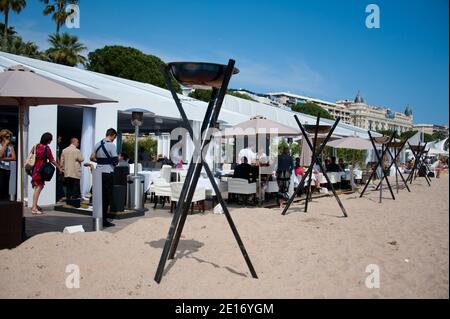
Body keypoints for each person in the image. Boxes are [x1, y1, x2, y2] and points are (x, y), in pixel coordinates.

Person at [91, 128, 119, 228]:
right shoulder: (111, 145)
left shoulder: (97, 144)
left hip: (98, 173)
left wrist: (101, 161)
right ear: (112, 135)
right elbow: (115, 161)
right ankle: (104, 220)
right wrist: (110, 161)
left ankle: (98, 217)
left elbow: (92, 157)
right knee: (107, 197)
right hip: (108, 172)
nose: (114, 139)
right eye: (114, 137)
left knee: (99, 196)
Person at [31, 133, 61, 215]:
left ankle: (35, 205)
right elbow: (51, 160)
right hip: (41, 170)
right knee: (38, 188)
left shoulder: (36, 146)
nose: (51, 141)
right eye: (51, 139)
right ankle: (34, 207)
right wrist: (58, 167)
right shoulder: (46, 148)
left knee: (37, 187)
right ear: (48, 140)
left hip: (35, 169)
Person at [0, 129, 16, 201]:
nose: (8, 138)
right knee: (1, 185)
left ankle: (5, 201)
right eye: (7, 137)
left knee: (6, 185)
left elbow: (13, 157)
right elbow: (0, 155)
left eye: (9, 137)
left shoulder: (11, 146)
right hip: (0, 167)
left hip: (7, 168)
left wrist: (3, 158)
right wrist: (5, 145)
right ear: (2, 137)